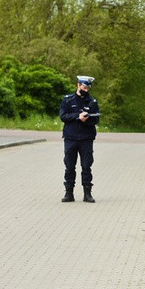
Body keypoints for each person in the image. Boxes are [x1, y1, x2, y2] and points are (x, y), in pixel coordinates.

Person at [60, 75, 101, 203]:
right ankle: (69, 193)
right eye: (84, 87)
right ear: (78, 85)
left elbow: (96, 119)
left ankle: (87, 193)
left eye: (88, 88)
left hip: (86, 138)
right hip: (71, 137)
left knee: (86, 166)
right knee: (69, 166)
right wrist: (78, 117)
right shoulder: (68, 100)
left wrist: (87, 119)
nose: (86, 90)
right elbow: (63, 116)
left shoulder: (92, 102)